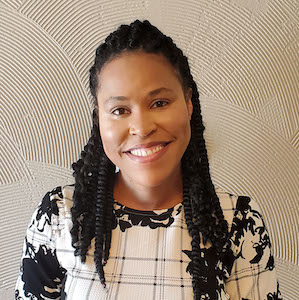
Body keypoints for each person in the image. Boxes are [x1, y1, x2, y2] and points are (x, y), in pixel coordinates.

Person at [15, 20, 282, 300]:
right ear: (98, 118)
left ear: (188, 104)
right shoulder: (60, 216)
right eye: (119, 110)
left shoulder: (237, 222)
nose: (141, 128)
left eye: (159, 103)